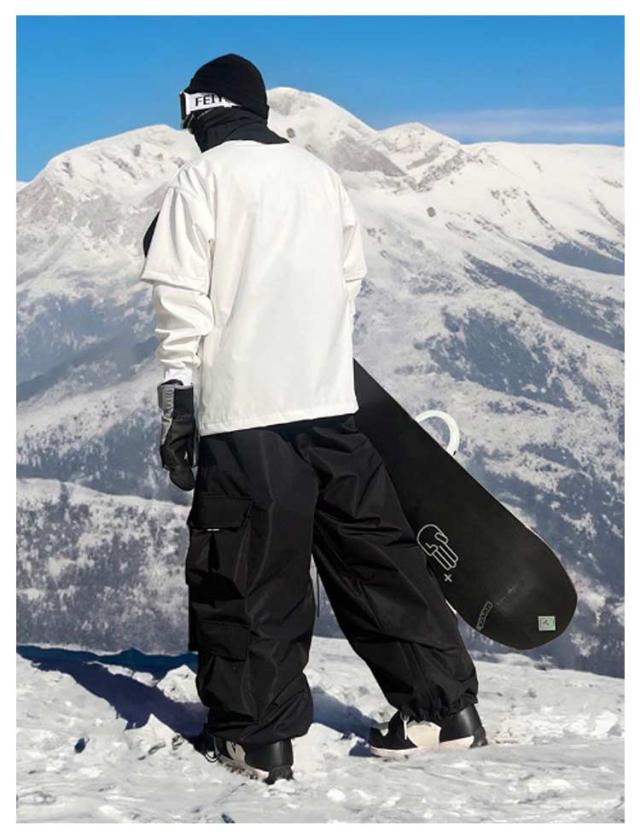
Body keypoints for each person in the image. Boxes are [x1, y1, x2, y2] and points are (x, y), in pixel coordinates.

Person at [140, 54, 485, 784]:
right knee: (376, 560)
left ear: (200, 110)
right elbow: (347, 278)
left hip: (245, 412)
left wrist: (178, 398)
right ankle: (444, 711)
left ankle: (255, 737)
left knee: (251, 572)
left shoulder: (204, 178)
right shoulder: (320, 176)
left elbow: (180, 297)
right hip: (331, 405)